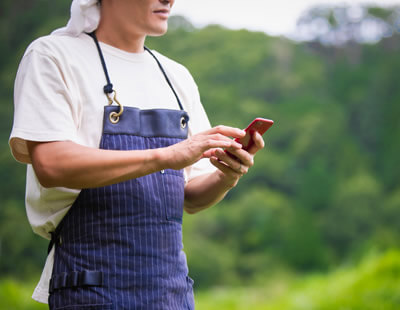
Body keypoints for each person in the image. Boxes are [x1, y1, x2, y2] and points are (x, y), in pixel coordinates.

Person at [9, 0, 265, 309]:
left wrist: (226, 175)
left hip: (172, 295)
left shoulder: (175, 76)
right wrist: (167, 155)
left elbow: (190, 198)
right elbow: (51, 163)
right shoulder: (53, 55)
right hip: (91, 291)